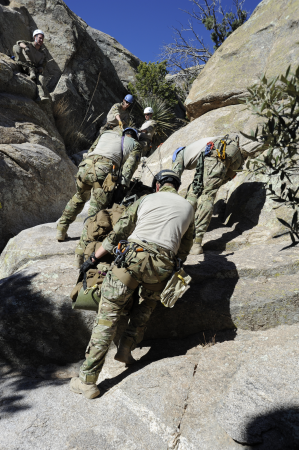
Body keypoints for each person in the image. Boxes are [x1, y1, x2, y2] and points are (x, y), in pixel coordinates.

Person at [69, 169, 194, 399]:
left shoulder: (146, 198)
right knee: (145, 308)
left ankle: (88, 380)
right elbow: (185, 248)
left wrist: (94, 259)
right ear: (177, 186)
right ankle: (126, 348)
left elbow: (119, 232)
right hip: (162, 265)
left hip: (133, 258)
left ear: (157, 185)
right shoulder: (189, 207)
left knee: (107, 317)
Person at [56, 128, 142, 266]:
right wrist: (121, 187)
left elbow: (90, 150)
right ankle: (80, 254)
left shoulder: (106, 134)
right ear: (135, 137)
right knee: (95, 214)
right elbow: (129, 168)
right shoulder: (135, 144)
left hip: (85, 168)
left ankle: (61, 229)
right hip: (103, 172)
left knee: (78, 197)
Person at [172, 134, 244, 255]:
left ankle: (195, 243)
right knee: (195, 192)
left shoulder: (180, 154)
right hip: (234, 159)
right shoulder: (196, 149)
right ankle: (188, 234)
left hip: (218, 154)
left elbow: (172, 178)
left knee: (204, 195)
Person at [13, 29, 49, 103]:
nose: (41, 40)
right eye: (40, 38)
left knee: (41, 78)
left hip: (35, 70)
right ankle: (30, 70)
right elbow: (19, 42)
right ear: (35, 37)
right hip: (24, 64)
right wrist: (25, 47)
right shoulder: (28, 44)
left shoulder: (42, 53)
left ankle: (40, 96)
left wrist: (40, 68)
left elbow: (43, 64)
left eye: (42, 38)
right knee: (16, 47)